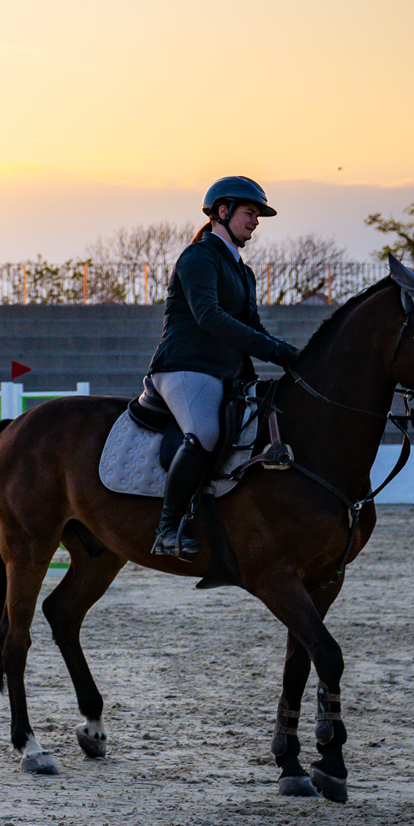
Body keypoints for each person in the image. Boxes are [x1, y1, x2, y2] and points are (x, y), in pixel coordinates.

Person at [146, 176, 302, 558]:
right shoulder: (198, 257)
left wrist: (292, 355)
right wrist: (276, 351)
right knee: (204, 432)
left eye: (257, 215)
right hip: (186, 366)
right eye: (250, 213)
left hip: (226, 373)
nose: (255, 222)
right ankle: (167, 529)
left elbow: (253, 326)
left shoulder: (244, 272)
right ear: (222, 211)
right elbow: (210, 317)